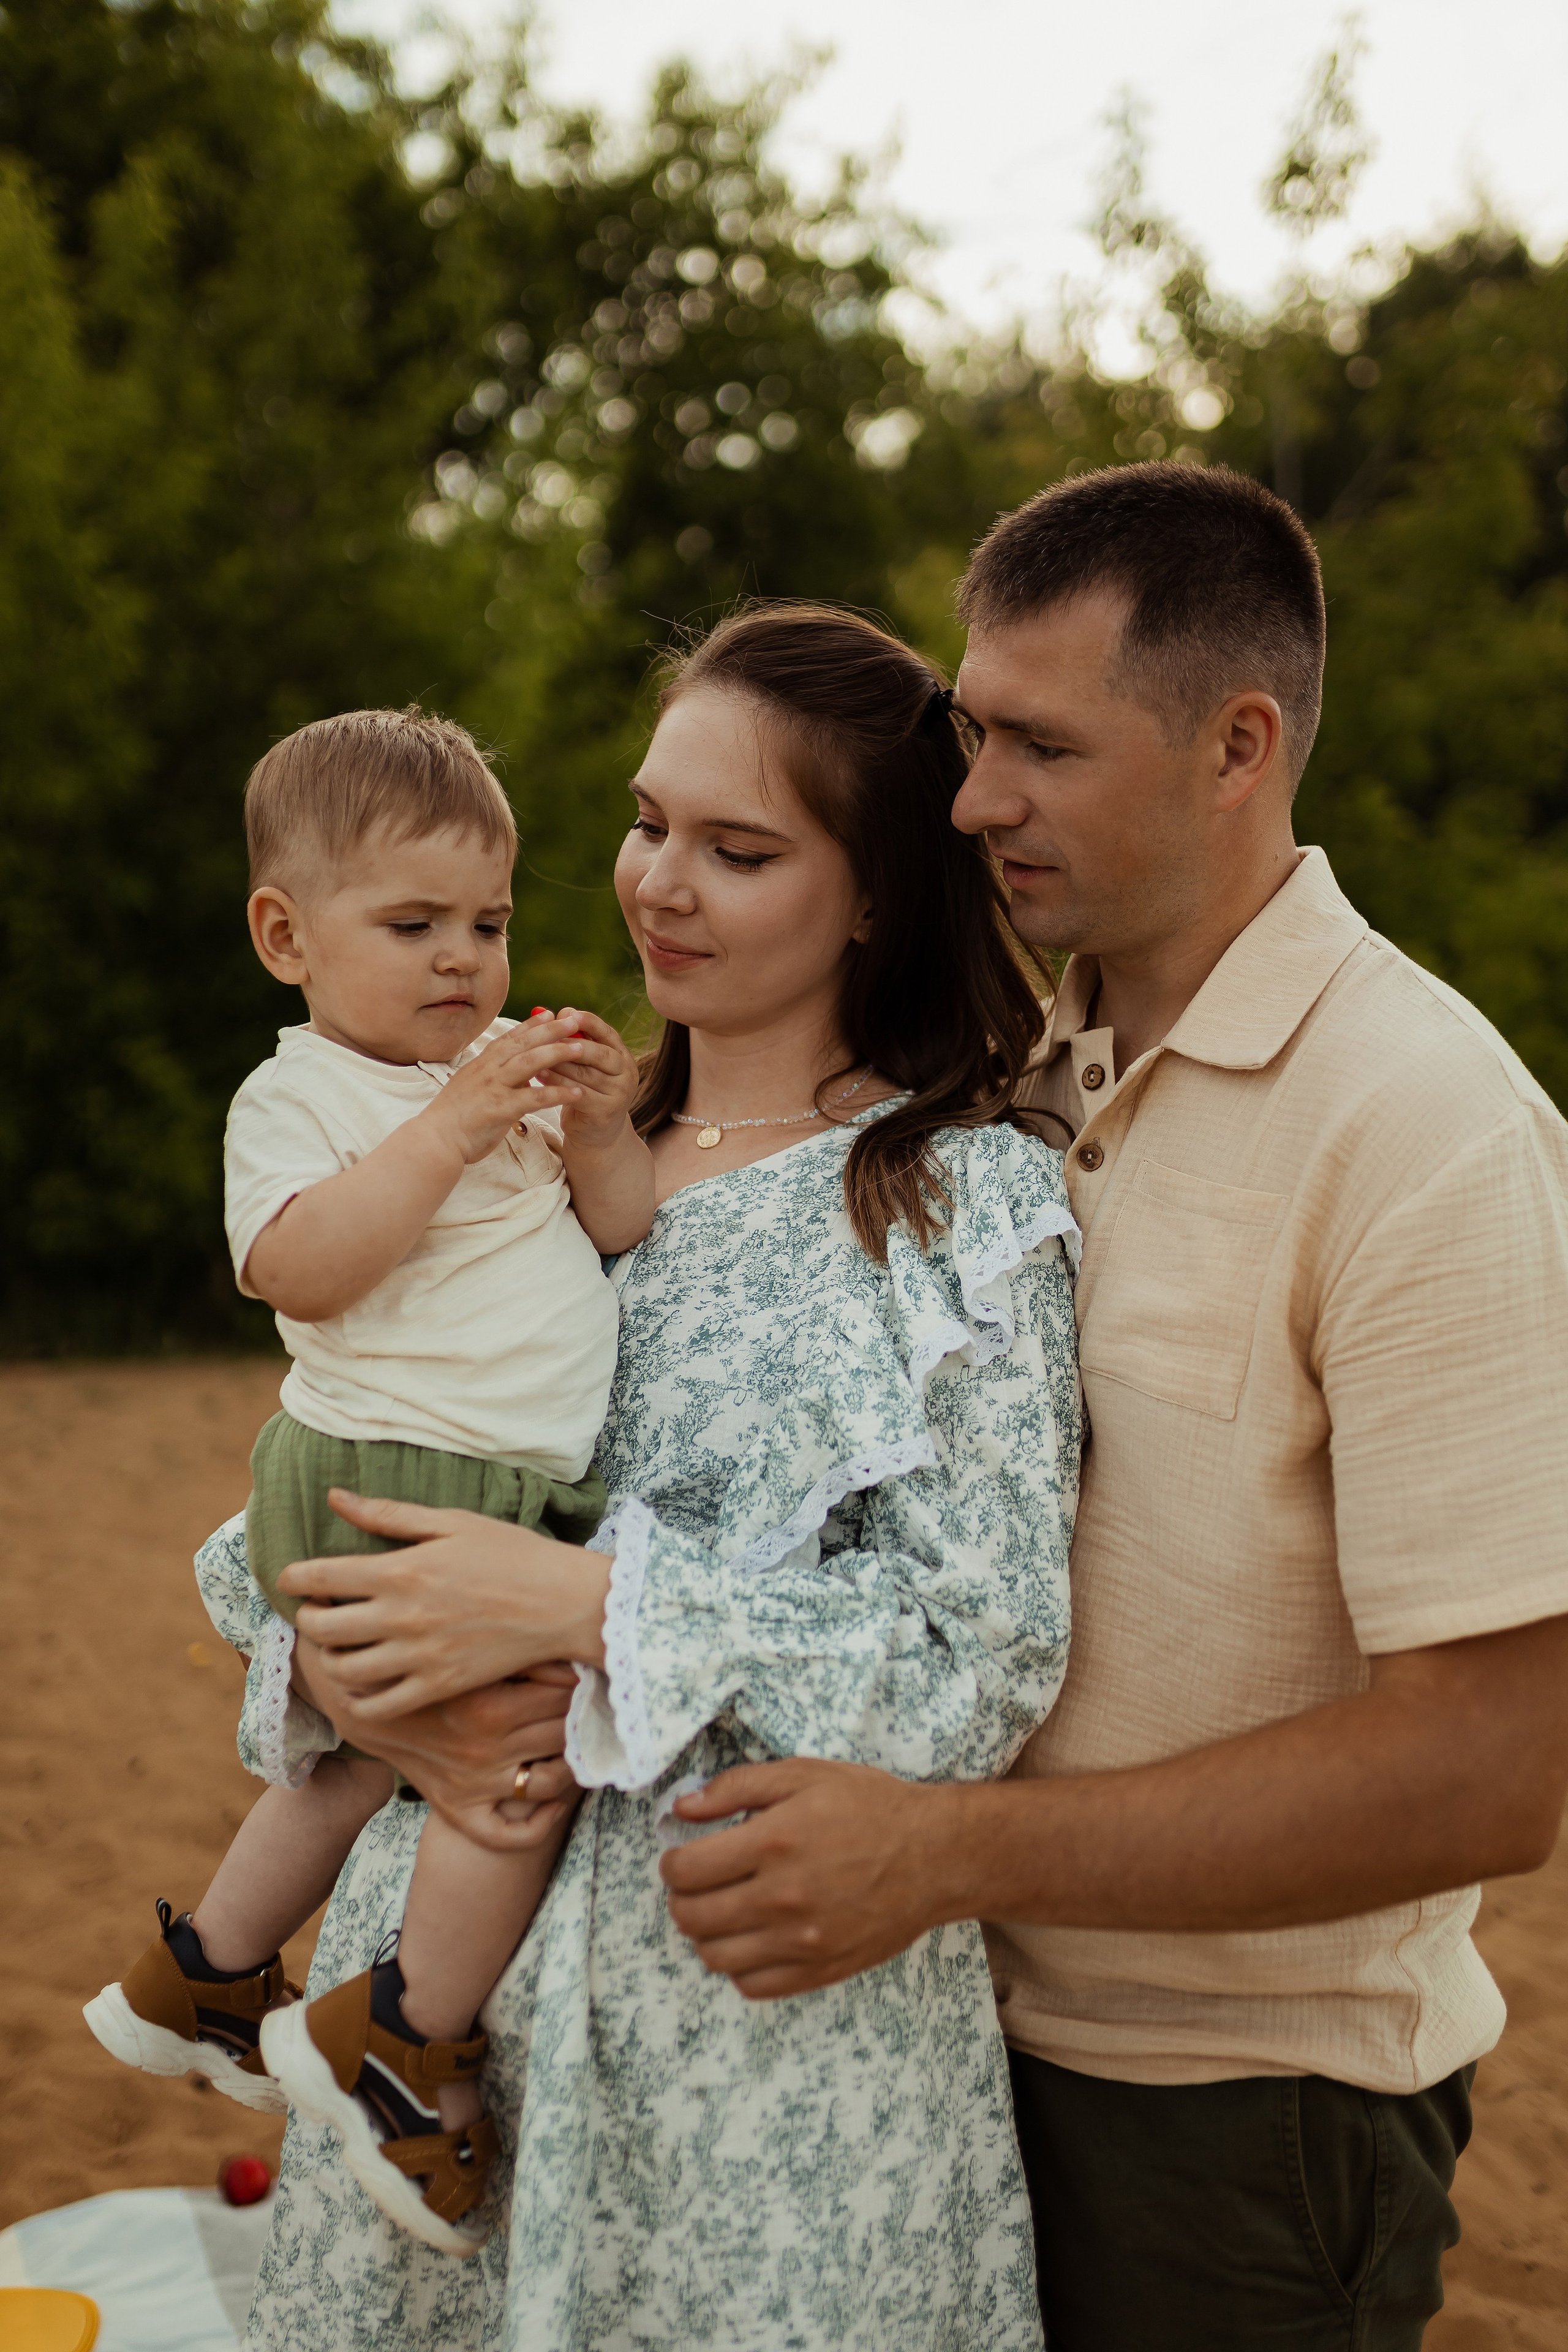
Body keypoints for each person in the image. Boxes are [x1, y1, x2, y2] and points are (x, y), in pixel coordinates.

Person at [652, 464, 1568, 2350]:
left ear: (1240, 746)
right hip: (920, 2051)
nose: (976, 795)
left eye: (1041, 748)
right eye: (976, 735)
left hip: (1233, 2130)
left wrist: (939, 1852)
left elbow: (1492, 1767)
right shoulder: (1003, 1086)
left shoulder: (1430, 1132)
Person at [193, 606, 1082, 2351]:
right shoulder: (512, 1142)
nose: (660, 884)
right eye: (648, 822)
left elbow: (985, 1657)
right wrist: (349, 1665)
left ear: (881, 891)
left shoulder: (952, 1209)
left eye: (738, 849)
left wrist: (593, 1603)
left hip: (762, 2060)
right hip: (434, 2035)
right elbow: (330, 1499)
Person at [86, 706, 654, 2253]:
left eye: (486, 920)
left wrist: (597, 1131)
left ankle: (207, 1967)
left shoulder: (487, 1076)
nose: (462, 959)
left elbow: (616, 1234)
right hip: (394, 1479)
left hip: (465, 1490)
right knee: (513, 1773)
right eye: (411, 925)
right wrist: (453, 1128)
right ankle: (405, 2040)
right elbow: (300, 1267)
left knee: (348, 1759)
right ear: (288, 936)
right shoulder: (308, 1099)